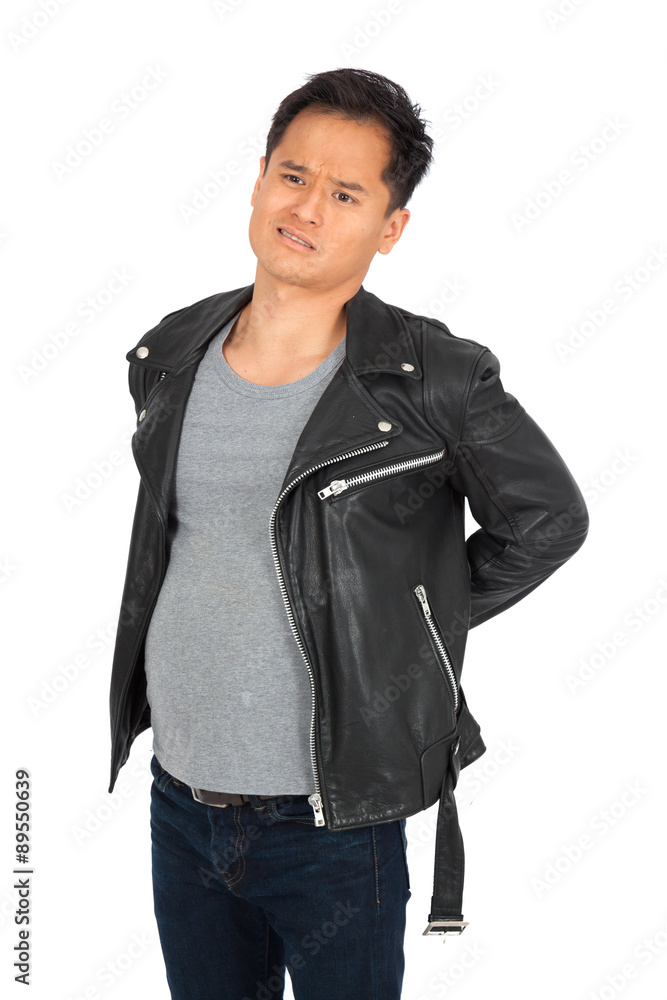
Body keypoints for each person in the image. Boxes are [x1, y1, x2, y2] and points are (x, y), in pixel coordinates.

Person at [107, 68, 589, 999]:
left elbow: (548, 520)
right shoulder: (170, 351)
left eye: (345, 194)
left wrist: (412, 621)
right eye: (293, 177)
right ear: (259, 180)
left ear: (389, 227)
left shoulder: (434, 376)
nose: (306, 209)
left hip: (334, 823)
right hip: (181, 799)